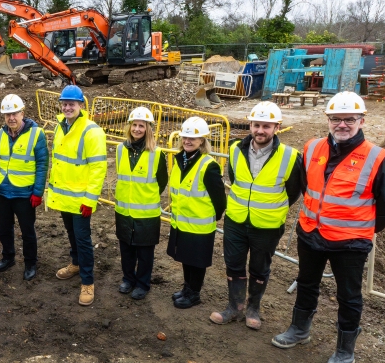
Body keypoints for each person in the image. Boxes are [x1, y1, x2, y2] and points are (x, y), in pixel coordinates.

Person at [272, 92, 385, 363]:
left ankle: (345, 351)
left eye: (349, 119)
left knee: (349, 296)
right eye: (336, 119)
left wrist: (361, 229)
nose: (342, 124)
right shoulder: (312, 148)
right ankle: (299, 329)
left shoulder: (377, 159)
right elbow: (307, 188)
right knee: (306, 283)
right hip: (310, 233)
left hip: (350, 243)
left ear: (361, 120)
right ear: (328, 120)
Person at [211, 101, 305, 329]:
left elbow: (293, 192)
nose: (260, 130)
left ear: (276, 127)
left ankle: (253, 308)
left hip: (267, 225)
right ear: (250, 125)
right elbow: (235, 180)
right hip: (236, 220)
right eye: (256, 125)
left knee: (259, 268)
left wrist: (268, 207)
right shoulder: (235, 149)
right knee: (234, 264)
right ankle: (235, 307)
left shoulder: (290, 156)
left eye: (266, 126)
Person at [0, 94, 48, 281]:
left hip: (25, 193)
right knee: (4, 228)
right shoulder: (0, 134)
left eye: (14, 113)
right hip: (4, 192)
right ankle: (8, 257)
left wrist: (38, 192)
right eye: (7, 114)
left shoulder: (37, 134)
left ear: (22, 113)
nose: (11, 118)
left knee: (27, 230)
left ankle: (30, 262)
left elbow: (42, 164)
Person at [46, 85, 107, 306]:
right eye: (64, 103)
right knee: (72, 235)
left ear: (81, 105)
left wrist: (90, 200)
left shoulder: (92, 131)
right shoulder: (61, 126)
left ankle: (88, 282)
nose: (67, 107)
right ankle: (76, 263)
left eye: (72, 103)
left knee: (83, 240)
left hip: (81, 200)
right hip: (64, 197)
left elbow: (98, 168)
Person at [168, 117, 226, 309]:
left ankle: (194, 293)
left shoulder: (208, 165)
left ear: (202, 141)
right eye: (185, 137)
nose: (188, 141)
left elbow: (219, 199)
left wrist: (211, 218)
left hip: (199, 225)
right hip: (182, 222)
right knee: (186, 258)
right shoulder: (180, 160)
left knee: (197, 261)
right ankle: (187, 288)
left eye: (193, 138)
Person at [114, 107, 168, 301]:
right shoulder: (121, 149)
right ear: (130, 127)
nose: (137, 129)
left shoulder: (157, 153)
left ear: (148, 129)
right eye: (135, 125)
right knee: (126, 249)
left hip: (146, 213)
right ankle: (128, 279)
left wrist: (144, 197)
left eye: (141, 126)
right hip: (124, 210)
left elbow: (162, 181)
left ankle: (142, 283)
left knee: (145, 252)